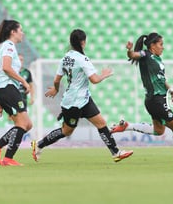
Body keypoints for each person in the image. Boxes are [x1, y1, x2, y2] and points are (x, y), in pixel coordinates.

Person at [31, 29, 133, 163]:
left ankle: (116, 153)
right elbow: (94, 80)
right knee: (66, 131)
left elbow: (56, 80)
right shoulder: (82, 59)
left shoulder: (65, 58)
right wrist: (104, 74)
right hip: (74, 103)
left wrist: (55, 90)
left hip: (82, 99)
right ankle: (38, 144)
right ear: (82, 42)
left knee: (101, 123)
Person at [111, 32, 173, 162]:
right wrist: (129, 50)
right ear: (152, 45)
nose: (162, 47)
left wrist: (171, 91)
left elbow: (161, 79)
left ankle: (127, 126)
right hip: (155, 100)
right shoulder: (146, 55)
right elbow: (133, 55)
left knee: (159, 131)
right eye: (161, 44)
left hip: (155, 100)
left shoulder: (158, 59)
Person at [0, 19, 33, 166]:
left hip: (4, 89)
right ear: (13, 32)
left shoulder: (4, 46)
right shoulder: (8, 46)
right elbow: (6, 68)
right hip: (7, 88)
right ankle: (8, 158)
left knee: (28, 124)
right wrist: (24, 81)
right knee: (23, 123)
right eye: (20, 30)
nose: (22, 33)